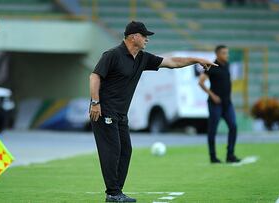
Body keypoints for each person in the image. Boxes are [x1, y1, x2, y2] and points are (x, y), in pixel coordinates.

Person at [89, 21, 218, 202]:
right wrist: (95, 102)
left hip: (121, 113)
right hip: (104, 111)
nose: (147, 39)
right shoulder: (112, 55)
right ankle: (113, 193)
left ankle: (116, 192)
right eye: (144, 35)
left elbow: (172, 62)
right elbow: (94, 76)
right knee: (113, 151)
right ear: (133, 36)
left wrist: (196, 60)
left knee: (126, 150)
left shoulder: (141, 58)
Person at [198, 45, 241, 164]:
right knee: (212, 130)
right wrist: (213, 95)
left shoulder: (227, 65)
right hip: (215, 104)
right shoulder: (211, 67)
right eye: (224, 53)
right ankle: (213, 157)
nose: (227, 55)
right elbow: (201, 82)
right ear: (217, 54)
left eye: (227, 53)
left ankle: (230, 154)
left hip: (227, 104)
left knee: (233, 126)